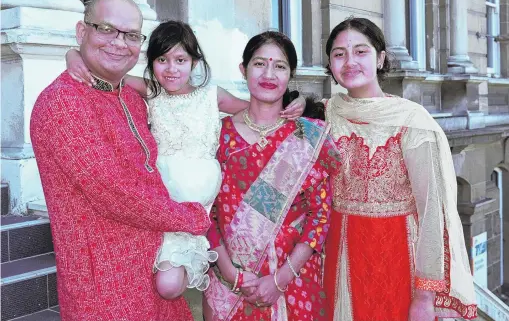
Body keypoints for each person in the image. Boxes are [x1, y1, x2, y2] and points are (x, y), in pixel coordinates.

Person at [66, 20, 307, 300]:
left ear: (194, 63)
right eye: (162, 59)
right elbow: (103, 74)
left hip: (200, 207)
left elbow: (259, 110)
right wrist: (72, 55)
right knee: (166, 287)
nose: (171, 68)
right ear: (152, 63)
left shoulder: (211, 96)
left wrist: (297, 98)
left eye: (180, 59)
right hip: (162, 203)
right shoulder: (152, 92)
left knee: (168, 286)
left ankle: (200, 266)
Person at [30, 0, 211, 321]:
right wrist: (193, 218)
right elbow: (114, 193)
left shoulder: (132, 96)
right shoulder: (61, 103)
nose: (119, 43)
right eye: (106, 29)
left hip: (154, 277)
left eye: (130, 35)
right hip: (104, 291)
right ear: (81, 32)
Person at [322, 17, 478, 321]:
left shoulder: (412, 121)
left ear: (380, 58)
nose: (349, 61)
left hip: (395, 260)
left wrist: (424, 296)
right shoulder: (327, 113)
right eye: (339, 54)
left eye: (361, 51)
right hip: (336, 258)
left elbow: (433, 212)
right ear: (330, 63)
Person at [203, 31, 335, 321]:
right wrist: (229, 273)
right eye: (260, 63)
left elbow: (320, 216)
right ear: (243, 69)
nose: (269, 74)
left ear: (291, 75)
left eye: (280, 66)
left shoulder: (308, 135)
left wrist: (280, 279)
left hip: (294, 284)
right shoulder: (217, 135)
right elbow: (205, 211)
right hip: (229, 285)